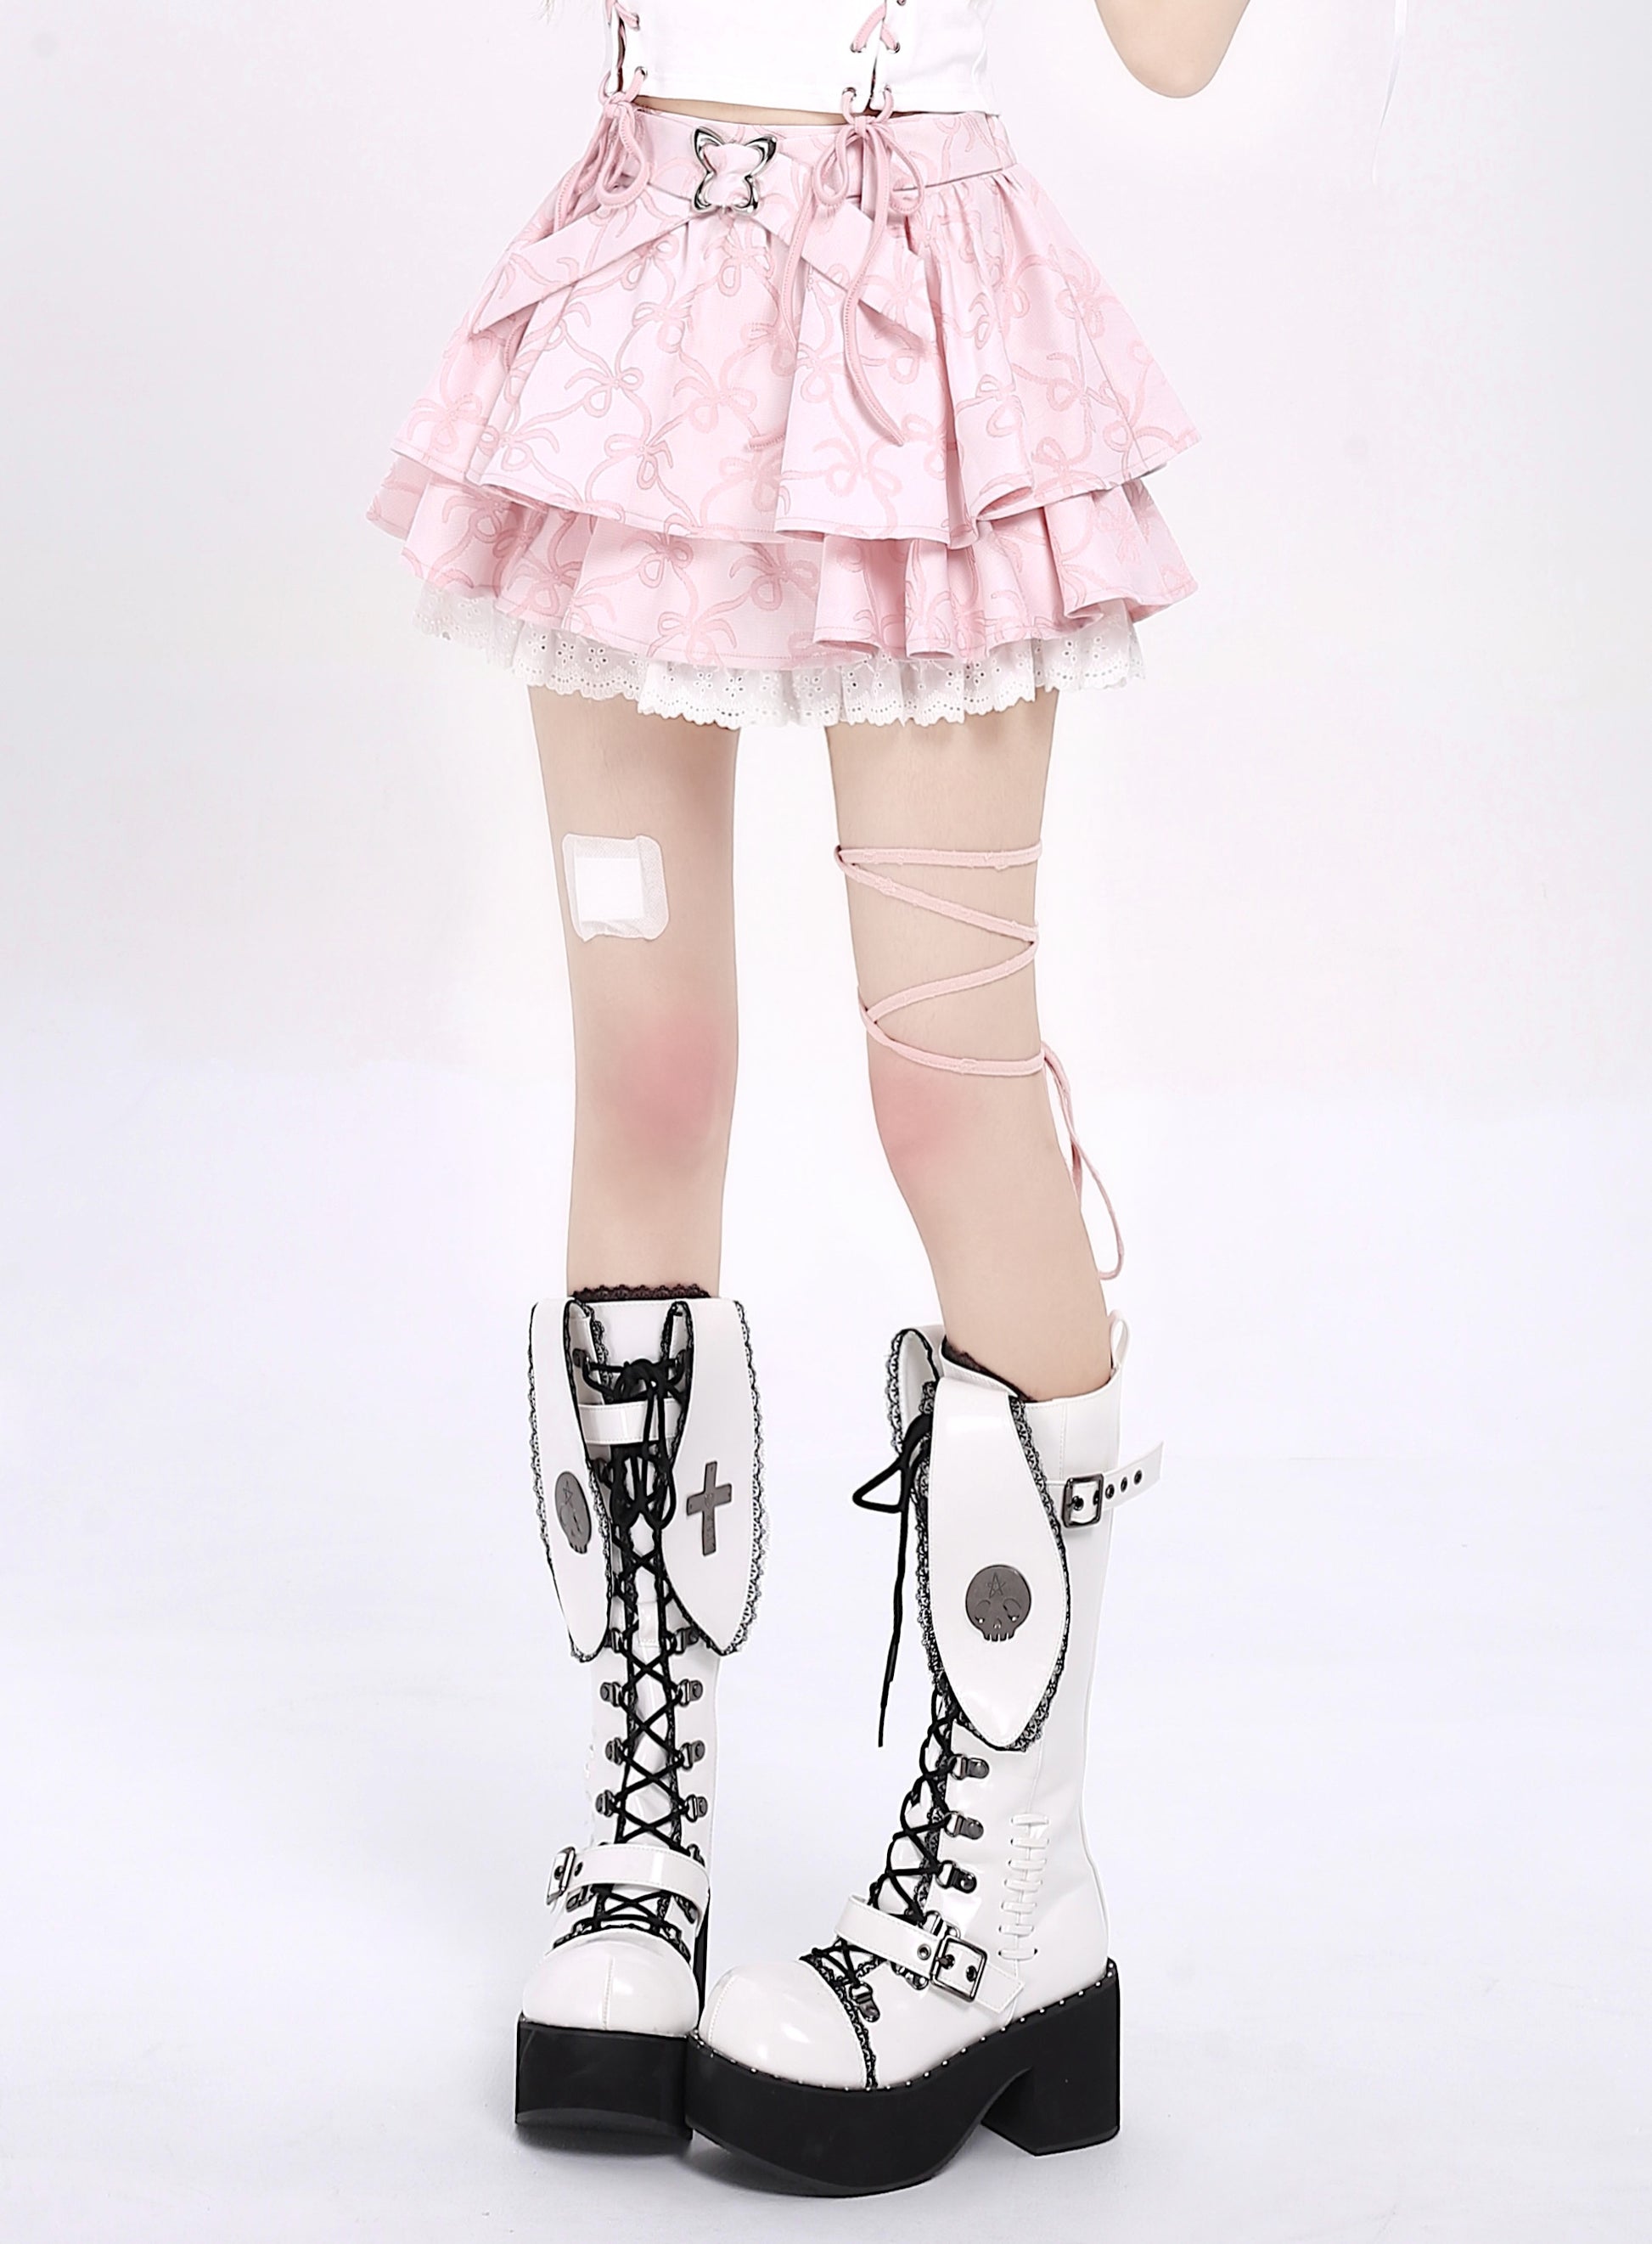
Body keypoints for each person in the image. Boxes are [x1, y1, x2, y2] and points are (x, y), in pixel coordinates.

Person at [371, 0, 1250, 2195]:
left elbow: (1174, 50)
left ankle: (1014, 1904)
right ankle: (641, 1832)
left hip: (916, 330)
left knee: (949, 1089)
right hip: (633, 303)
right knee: (647, 1058)